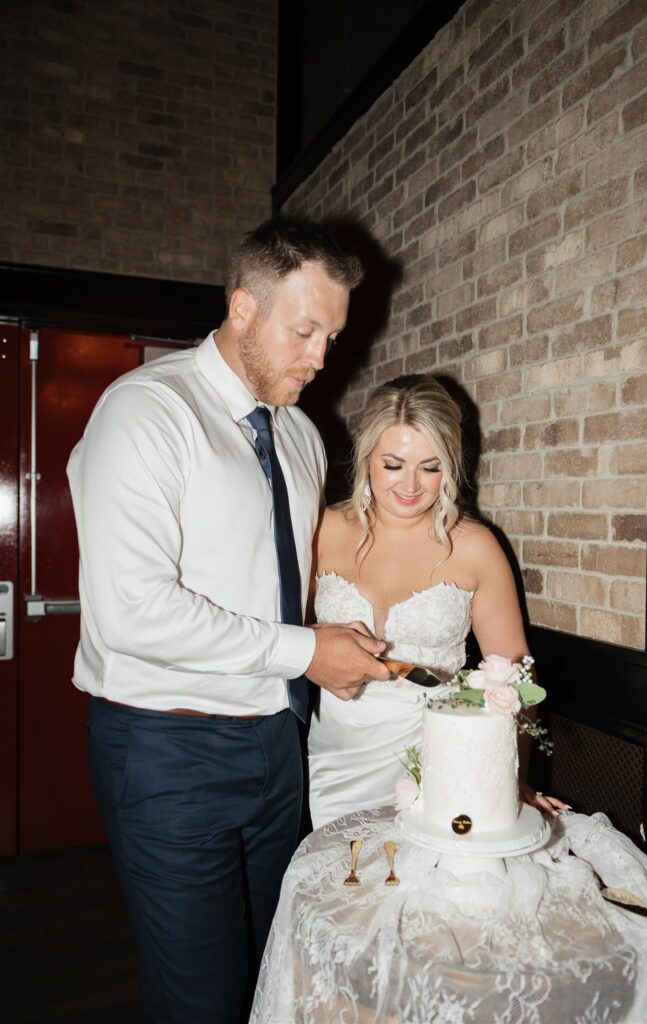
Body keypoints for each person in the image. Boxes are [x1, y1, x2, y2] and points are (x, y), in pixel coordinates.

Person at [67, 216, 390, 1024]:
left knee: (270, 978)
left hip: (277, 746)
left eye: (333, 334)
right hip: (168, 752)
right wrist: (303, 651)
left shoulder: (305, 438)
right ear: (242, 308)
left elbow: (293, 583)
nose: (321, 357)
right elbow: (133, 613)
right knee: (199, 1000)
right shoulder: (145, 411)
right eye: (304, 329)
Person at [308, 374, 568, 829]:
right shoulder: (322, 530)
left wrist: (515, 777)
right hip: (332, 761)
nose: (411, 484)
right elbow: (276, 630)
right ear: (366, 459)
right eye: (393, 464)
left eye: (430, 467)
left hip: (442, 757)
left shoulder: (475, 546)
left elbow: (515, 672)